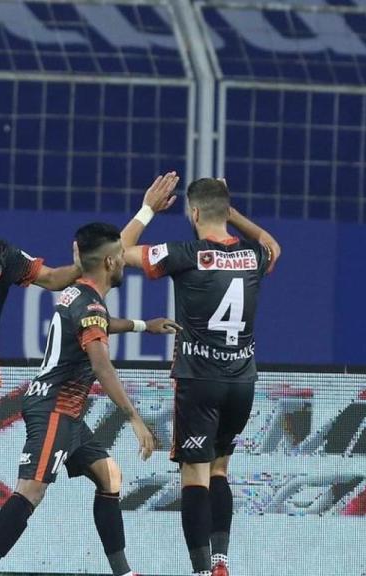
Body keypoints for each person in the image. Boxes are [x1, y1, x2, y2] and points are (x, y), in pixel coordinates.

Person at [0, 175, 178, 576]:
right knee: (30, 489)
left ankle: (124, 572)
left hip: (60, 406)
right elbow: (100, 364)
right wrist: (134, 419)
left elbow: (103, 283)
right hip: (53, 404)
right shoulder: (88, 300)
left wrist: (144, 325)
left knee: (110, 476)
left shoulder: (74, 290)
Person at [120, 177, 279, 576]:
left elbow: (117, 252)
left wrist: (148, 209)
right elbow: (271, 242)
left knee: (195, 473)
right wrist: (231, 210)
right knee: (221, 467)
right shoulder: (255, 256)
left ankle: (202, 570)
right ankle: (222, 562)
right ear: (224, 211)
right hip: (242, 383)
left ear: (192, 214)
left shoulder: (185, 254)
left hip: (199, 380)